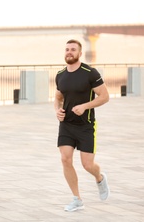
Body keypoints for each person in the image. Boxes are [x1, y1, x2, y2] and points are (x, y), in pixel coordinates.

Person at [54, 39, 110, 212]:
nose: (69, 52)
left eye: (73, 50)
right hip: (67, 124)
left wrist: (85, 106)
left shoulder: (90, 73)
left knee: (87, 165)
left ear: (79, 53)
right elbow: (57, 98)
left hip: (86, 125)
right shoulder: (60, 75)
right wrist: (57, 111)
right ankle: (77, 199)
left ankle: (99, 178)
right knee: (65, 159)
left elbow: (104, 96)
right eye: (67, 49)